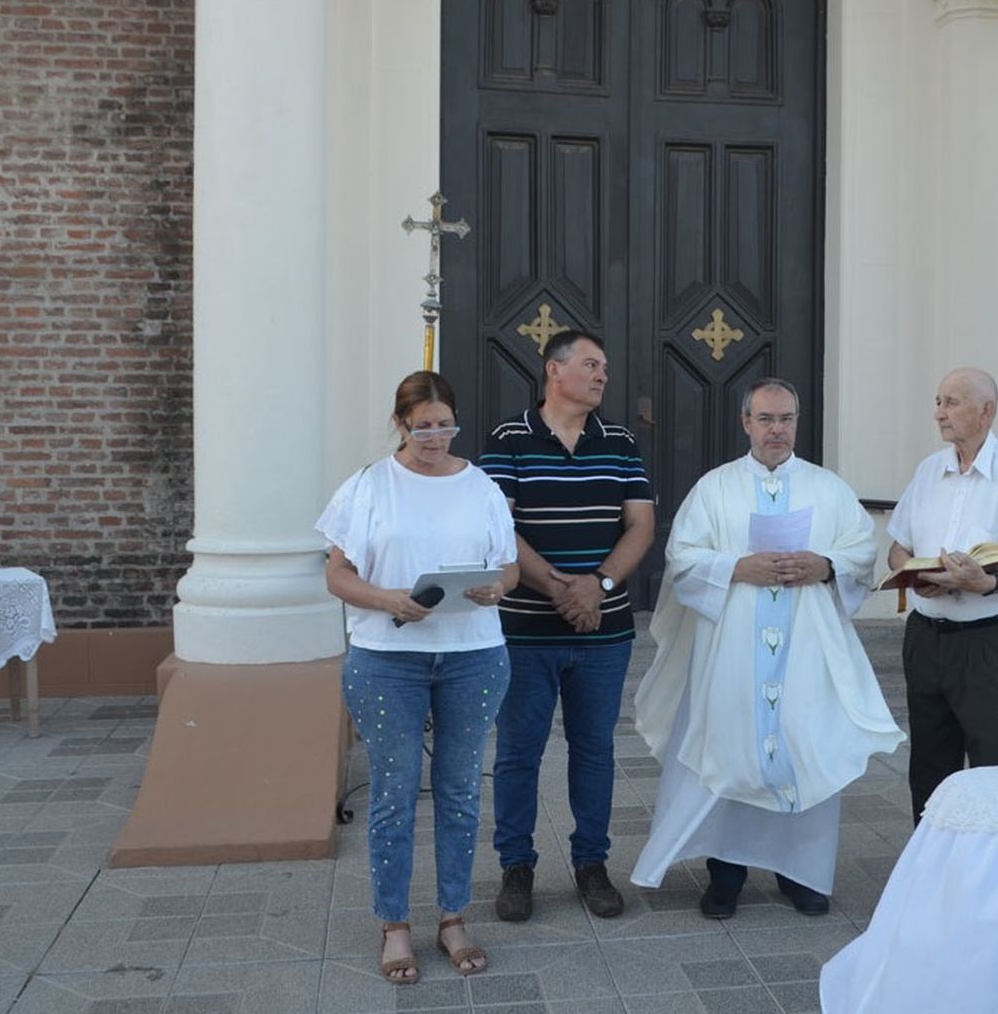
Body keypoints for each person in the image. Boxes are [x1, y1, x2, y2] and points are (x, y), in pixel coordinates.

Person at [631, 379, 904, 917]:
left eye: (786, 419)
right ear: (746, 423)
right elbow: (682, 557)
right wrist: (736, 567)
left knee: (805, 748)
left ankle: (799, 874)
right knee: (732, 749)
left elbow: (860, 550)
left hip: (806, 650)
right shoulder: (715, 488)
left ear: (797, 424)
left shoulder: (828, 488)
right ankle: (725, 877)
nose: (776, 429)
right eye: (765, 419)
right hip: (732, 651)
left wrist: (823, 565)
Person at [317, 371, 519, 985]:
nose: (435, 436)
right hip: (387, 657)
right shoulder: (370, 486)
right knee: (393, 794)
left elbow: (507, 567)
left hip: (473, 653)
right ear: (401, 424)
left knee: (459, 790)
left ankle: (453, 916)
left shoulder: (480, 485)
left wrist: (494, 588)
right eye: (422, 425)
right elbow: (337, 573)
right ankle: (394, 924)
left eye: (445, 424)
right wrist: (386, 599)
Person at [478, 330, 655, 922]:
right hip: (526, 633)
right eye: (590, 364)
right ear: (554, 371)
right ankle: (516, 868)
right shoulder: (508, 439)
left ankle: (591, 864)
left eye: (604, 365)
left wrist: (597, 586)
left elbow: (641, 527)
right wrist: (560, 587)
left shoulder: (621, 441)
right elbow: (498, 529)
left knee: (595, 750)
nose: (603, 375)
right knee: (519, 753)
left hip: (602, 635)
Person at [887, 367, 998, 823]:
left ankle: (986, 874)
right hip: (926, 638)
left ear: (987, 410)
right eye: (938, 401)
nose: (939, 413)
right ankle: (932, 865)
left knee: (990, 765)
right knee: (928, 765)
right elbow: (898, 546)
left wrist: (987, 583)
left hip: (986, 642)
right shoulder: (927, 471)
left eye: (952, 402)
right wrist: (910, 573)